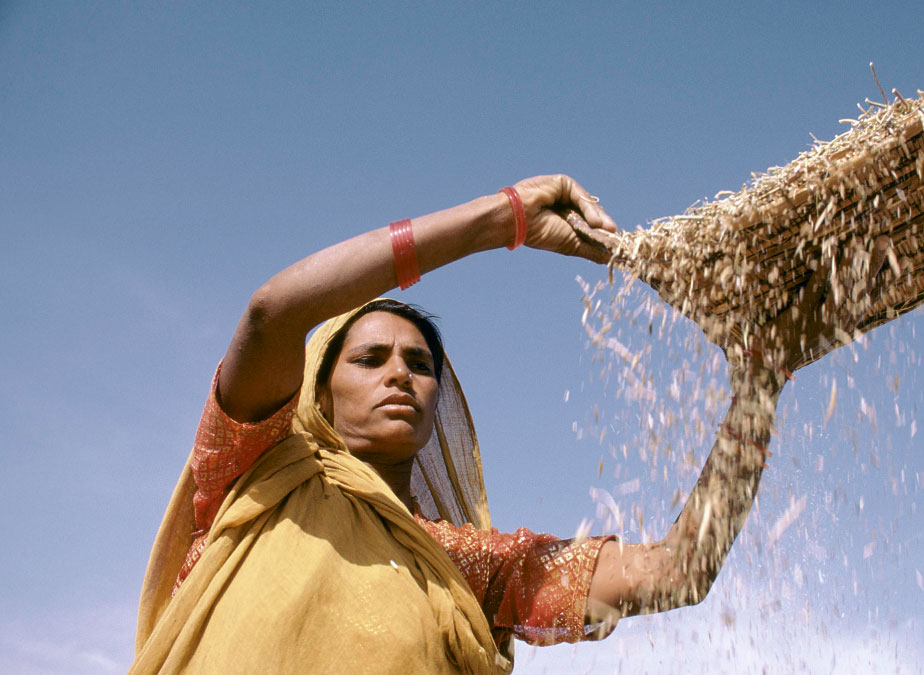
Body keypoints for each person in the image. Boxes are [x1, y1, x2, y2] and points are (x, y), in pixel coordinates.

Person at [131, 175, 821, 674]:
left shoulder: (464, 565)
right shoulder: (259, 473)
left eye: (421, 364)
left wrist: (760, 382)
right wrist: (505, 219)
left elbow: (678, 571)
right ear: (318, 388)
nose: (401, 374)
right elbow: (271, 312)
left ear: (440, 402)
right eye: (370, 358)